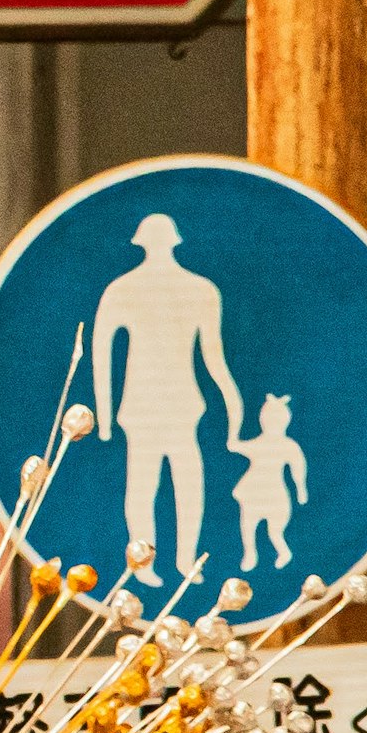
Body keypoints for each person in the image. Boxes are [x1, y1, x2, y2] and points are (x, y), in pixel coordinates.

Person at [85, 211, 248, 576]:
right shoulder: (196, 289)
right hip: (158, 406)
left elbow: (101, 356)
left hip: (166, 406)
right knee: (177, 484)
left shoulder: (128, 289)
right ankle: (170, 564)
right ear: (175, 240)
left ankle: (166, 564)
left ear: (141, 242)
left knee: (153, 485)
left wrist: (106, 417)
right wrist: (233, 402)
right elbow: (215, 360)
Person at [230, 391, 309, 572]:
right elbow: (237, 447)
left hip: (275, 493)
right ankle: (250, 555)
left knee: (275, 530)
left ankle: (284, 552)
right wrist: (233, 441)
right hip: (253, 491)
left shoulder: (288, 445)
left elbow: (298, 467)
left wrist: (301, 489)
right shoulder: (259, 442)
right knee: (248, 524)